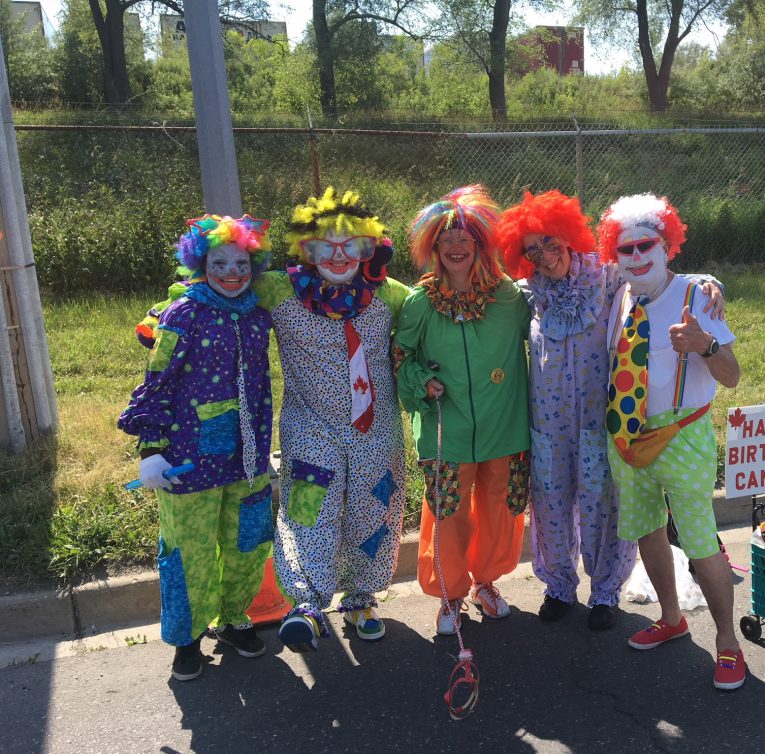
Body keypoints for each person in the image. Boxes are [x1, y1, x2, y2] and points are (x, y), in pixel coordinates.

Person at [494, 190, 725, 631]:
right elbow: (479, 295)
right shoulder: (526, 294)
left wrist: (710, 282)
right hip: (548, 426)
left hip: (599, 421)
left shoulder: (607, 275)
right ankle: (558, 586)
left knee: (603, 505)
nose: (544, 256)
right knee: (550, 505)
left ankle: (604, 592)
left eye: (549, 242)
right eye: (531, 251)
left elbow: (659, 276)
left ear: (568, 236)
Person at [598, 193, 746, 690]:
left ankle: (728, 643)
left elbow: (732, 377)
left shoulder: (697, 296)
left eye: (647, 245)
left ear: (667, 245)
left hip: (683, 435)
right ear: (615, 256)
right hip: (628, 435)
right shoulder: (621, 296)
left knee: (700, 542)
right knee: (648, 531)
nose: (637, 256)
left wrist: (705, 345)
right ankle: (670, 618)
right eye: (626, 249)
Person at [119, 214, 276, 681]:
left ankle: (233, 618)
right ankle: (187, 638)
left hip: (248, 457)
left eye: (241, 263)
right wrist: (150, 449)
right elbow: (158, 380)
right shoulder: (182, 313)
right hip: (188, 460)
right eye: (220, 262)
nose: (232, 272)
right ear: (200, 264)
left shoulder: (258, 312)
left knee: (248, 542)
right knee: (189, 551)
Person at [268, 189, 409, 652]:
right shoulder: (279, 291)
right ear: (305, 250)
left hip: (376, 428)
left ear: (370, 248)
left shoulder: (389, 294)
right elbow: (218, 288)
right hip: (311, 427)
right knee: (310, 509)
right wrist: (166, 315)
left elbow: (436, 306)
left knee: (374, 508)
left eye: (352, 246)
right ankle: (307, 603)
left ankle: (361, 598)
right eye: (325, 246)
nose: (339, 256)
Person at [394, 185, 531, 636]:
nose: (456, 246)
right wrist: (421, 381)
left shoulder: (509, 297)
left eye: (465, 239)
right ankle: (450, 594)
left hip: (504, 427)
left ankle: (485, 582)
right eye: (447, 239)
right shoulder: (420, 303)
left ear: (480, 245)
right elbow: (400, 356)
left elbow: (557, 309)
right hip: (446, 430)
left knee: (499, 509)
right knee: (447, 513)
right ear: (433, 247)